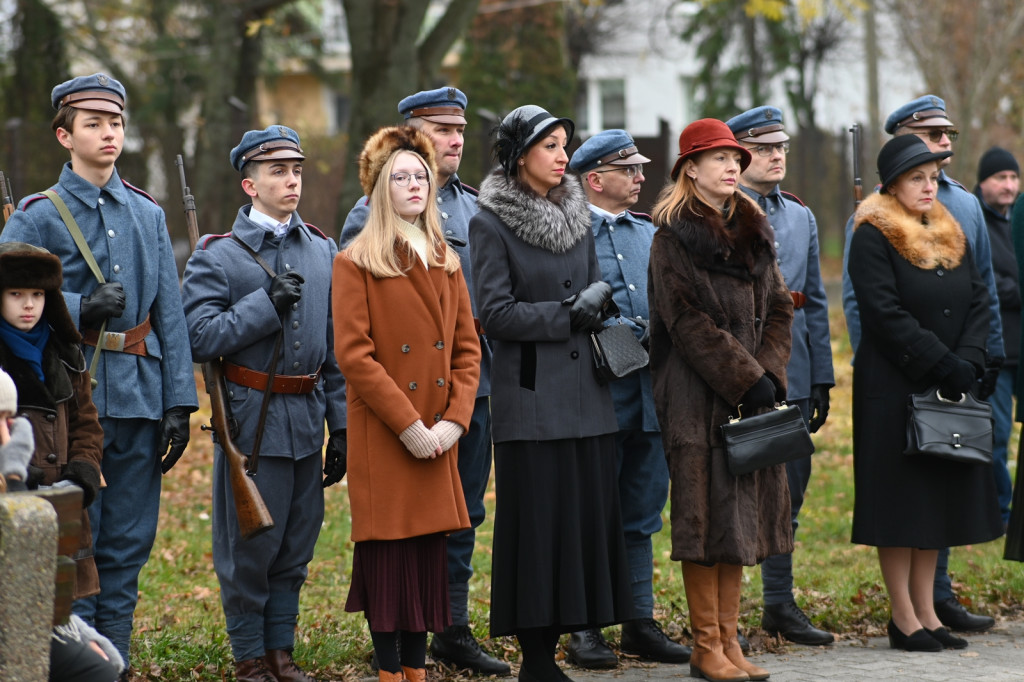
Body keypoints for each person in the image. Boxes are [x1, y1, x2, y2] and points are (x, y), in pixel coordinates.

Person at [0, 73, 198, 670]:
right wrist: (82, 309)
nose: (108, 133)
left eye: (114, 122)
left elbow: (170, 311)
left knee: (128, 548)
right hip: (65, 406)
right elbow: (8, 303)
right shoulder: (38, 216)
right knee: (73, 547)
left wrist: (178, 404)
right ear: (65, 135)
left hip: (139, 398)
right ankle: (78, 668)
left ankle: (120, 663)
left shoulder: (145, 212)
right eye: (93, 124)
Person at [339, 87, 507, 676]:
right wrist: (410, 425)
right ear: (380, 188)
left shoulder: (445, 256)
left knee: (431, 554)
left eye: (421, 177)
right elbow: (355, 354)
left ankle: (419, 666)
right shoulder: (356, 256)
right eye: (401, 177)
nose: (415, 185)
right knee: (389, 559)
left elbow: (467, 346)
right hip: (389, 430)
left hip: (440, 428)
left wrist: (454, 419)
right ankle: (392, 670)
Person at [470, 105, 633, 682]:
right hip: (532, 400)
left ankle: (561, 644)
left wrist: (599, 296)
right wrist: (569, 312)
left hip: (588, 394)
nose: (564, 155)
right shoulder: (490, 222)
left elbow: (593, 280)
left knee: (581, 524)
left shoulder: (578, 215)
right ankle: (535, 659)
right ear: (519, 156)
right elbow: (493, 313)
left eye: (566, 144)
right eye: (550, 146)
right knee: (538, 528)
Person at [180, 125, 347, 682]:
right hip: (251, 421)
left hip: (308, 416)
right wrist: (263, 305)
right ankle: (251, 655)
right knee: (251, 547)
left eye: (296, 169)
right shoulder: (217, 257)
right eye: (277, 170)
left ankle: (281, 650)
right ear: (249, 184)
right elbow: (197, 338)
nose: (291, 180)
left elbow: (334, 347)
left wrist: (340, 427)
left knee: (296, 543)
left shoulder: (323, 250)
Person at [841, 95, 1002, 633]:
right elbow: (883, 315)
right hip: (893, 387)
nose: (929, 185)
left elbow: (979, 296)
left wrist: (971, 359)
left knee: (933, 503)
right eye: (917, 178)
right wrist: (942, 363)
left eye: (933, 176)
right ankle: (903, 616)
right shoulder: (873, 234)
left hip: (945, 383)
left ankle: (929, 612)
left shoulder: (949, 228)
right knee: (899, 505)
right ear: (892, 185)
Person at [648, 118, 794, 682]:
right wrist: (743, 375)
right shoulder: (670, 238)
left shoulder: (754, 229)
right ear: (690, 168)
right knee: (702, 520)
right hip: (694, 399)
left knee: (739, 522)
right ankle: (705, 646)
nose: (733, 166)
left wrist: (769, 372)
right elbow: (686, 322)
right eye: (719, 159)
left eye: (736, 158)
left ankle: (729, 643)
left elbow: (780, 305)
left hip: (751, 395)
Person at [564, 129, 691, 668]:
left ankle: (639, 618)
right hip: (597, 394)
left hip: (650, 396)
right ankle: (584, 627)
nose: (642, 177)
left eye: (640, 169)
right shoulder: (567, 234)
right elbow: (570, 307)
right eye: (628, 170)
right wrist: (625, 335)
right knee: (592, 510)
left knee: (642, 512)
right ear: (594, 179)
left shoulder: (649, 232)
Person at [726, 106, 835, 647]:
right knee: (739, 495)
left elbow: (811, 303)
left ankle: (779, 603)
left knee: (792, 490)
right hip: (740, 372)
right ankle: (729, 619)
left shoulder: (799, 216)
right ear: (740, 154)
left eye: (781, 147)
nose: (776, 156)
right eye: (764, 148)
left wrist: (822, 380)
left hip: (794, 370)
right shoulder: (722, 212)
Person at [0, 365, 123, 682]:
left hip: (26, 627)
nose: (6, 436)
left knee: (103, 670)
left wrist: (81, 635)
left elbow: (31, 594)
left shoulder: (10, 487)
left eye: (8, 422)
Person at [974, 146, 1020, 525]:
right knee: (997, 432)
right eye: (1000, 178)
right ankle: (999, 510)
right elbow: (990, 284)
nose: (1008, 186)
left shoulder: (1016, 221)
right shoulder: (977, 223)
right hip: (997, 349)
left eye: (1013, 178)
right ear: (982, 183)